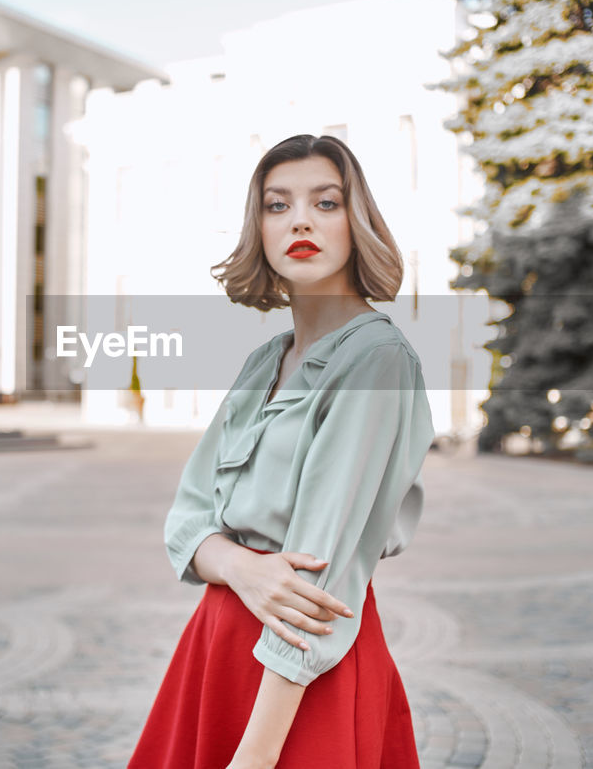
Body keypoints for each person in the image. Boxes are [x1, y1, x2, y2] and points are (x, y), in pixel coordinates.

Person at [128, 135, 434, 768]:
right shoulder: (263, 361)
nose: (299, 219)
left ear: (358, 223)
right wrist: (243, 568)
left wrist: (254, 756)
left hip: (298, 672)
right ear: (259, 228)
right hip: (218, 642)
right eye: (277, 205)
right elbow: (187, 522)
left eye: (326, 202)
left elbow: (317, 587)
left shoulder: (374, 360)